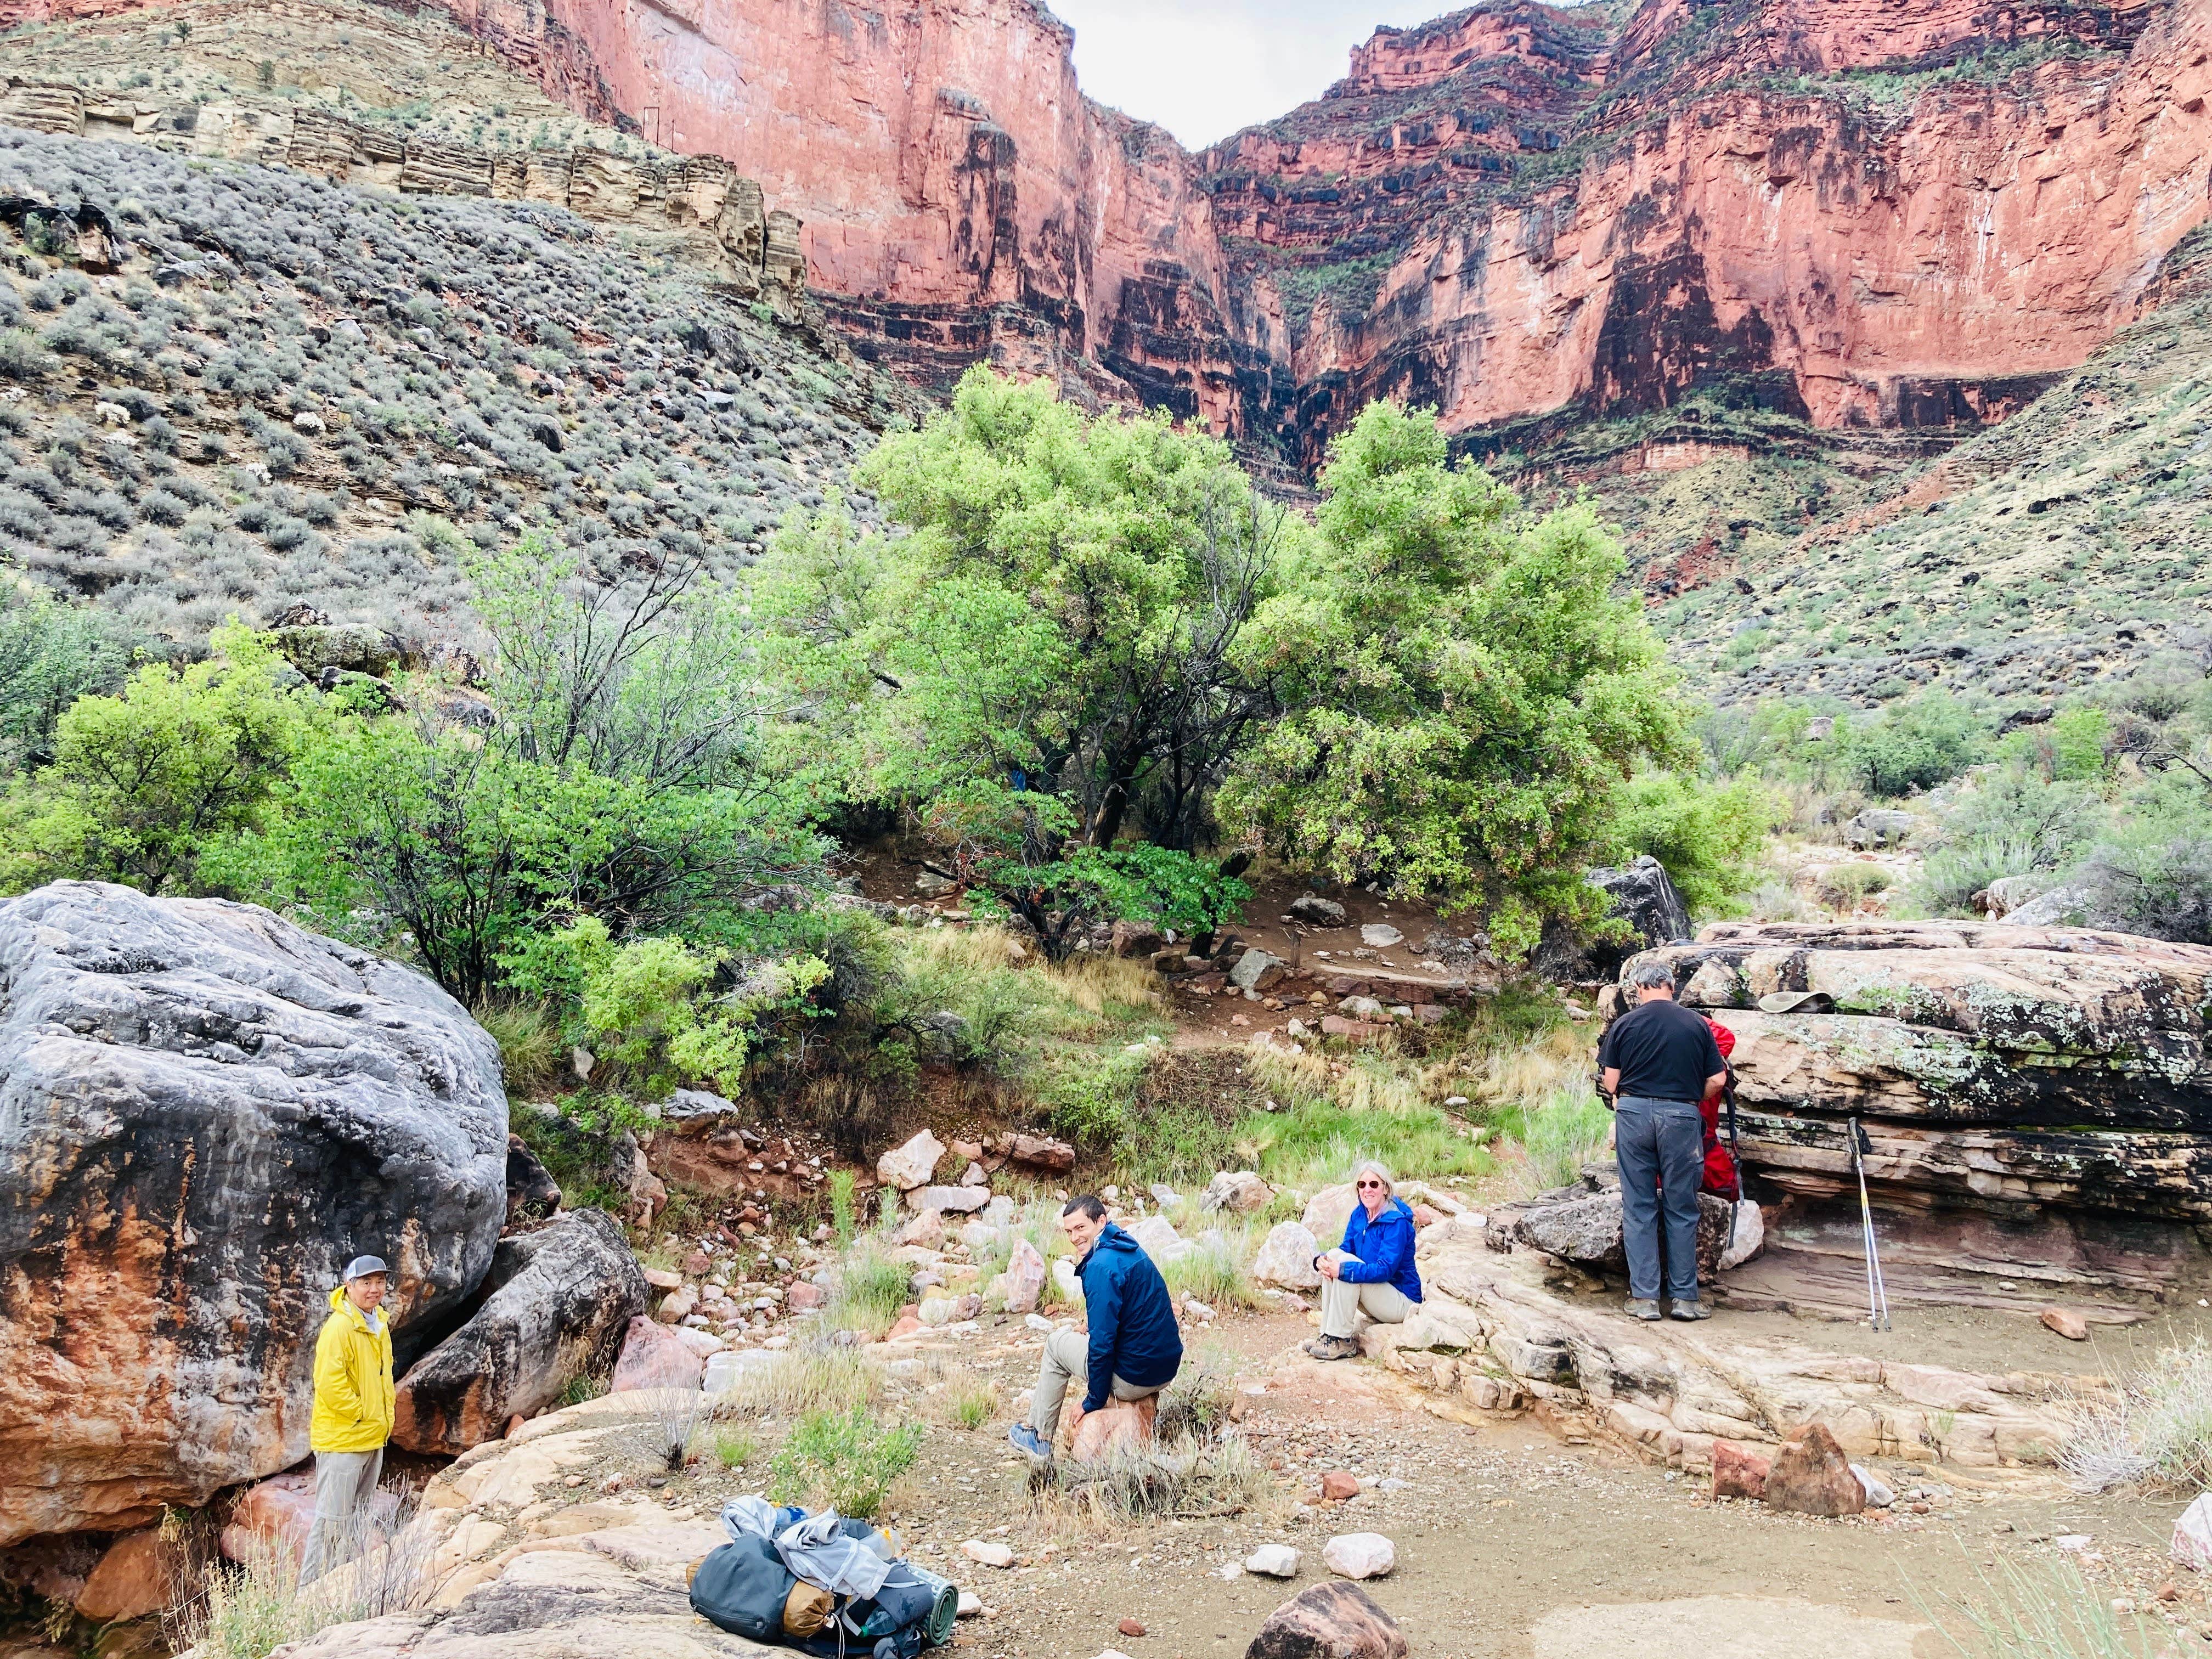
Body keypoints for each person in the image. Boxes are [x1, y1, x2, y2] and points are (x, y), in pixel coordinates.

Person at [1596, 961, 1728, 1323]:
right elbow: (1717, 1079)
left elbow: (1611, 1083)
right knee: (1682, 1208)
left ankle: (1645, 1300)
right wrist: (1687, 1098)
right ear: (1672, 985)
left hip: (1635, 1115)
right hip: (1682, 1117)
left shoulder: (1624, 1024)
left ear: (1639, 988)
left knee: (1638, 1207)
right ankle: (1685, 1300)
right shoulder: (1697, 1025)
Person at [1008, 1197, 1182, 1460]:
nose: (1075, 1237)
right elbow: (1133, 1306)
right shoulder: (1127, 1247)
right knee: (1081, 1334)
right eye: (1069, 1231)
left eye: (1080, 1228)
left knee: (1056, 1343)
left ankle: (1038, 1437)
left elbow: (1102, 1347)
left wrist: (1094, 1401)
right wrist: (1092, 1325)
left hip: (1133, 1378)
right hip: (1165, 1370)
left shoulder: (1100, 1266)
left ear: (1101, 1221)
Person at [303, 1254, 397, 1582]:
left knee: (357, 1519)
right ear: (350, 1285)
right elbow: (329, 1383)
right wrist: (361, 1415)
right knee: (332, 1522)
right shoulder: (340, 1327)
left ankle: (340, 1586)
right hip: (345, 1441)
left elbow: (382, 1378)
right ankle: (308, 1595)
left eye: (380, 1282)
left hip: (372, 1438)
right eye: (366, 1283)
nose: (374, 1290)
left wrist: (380, 1421)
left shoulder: (377, 1323)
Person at [1303, 1159, 1423, 1361]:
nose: (1367, 1190)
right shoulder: (1359, 1215)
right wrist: (1321, 1261)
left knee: (1347, 1269)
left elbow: (1385, 1270)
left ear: (1385, 1188)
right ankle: (1328, 1336)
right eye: (1362, 1185)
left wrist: (1343, 1270)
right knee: (1334, 1256)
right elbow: (1345, 1250)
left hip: (1402, 1302)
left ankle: (1342, 1341)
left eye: (1374, 1184)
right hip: (1377, 1296)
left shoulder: (1397, 1222)